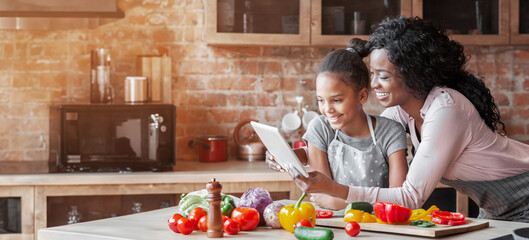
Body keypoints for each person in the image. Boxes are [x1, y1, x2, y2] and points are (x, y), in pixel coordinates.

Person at [286, 16, 529, 222]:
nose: (373, 84)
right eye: (372, 74)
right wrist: (297, 157)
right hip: (498, 209)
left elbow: (411, 197)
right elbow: (364, 144)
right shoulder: (400, 111)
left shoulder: (446, 110)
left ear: (412, 73)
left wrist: (336, 190)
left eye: (382, 76)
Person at [272, 41, 410, 210]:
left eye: (336, 100)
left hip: (379, 228)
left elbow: (398, 203)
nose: (327, 109)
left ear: (362, 96)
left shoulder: (391, 132)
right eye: (321, 100)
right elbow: (322, 197)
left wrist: (334, 199)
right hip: (333, 227)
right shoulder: (320, 128)